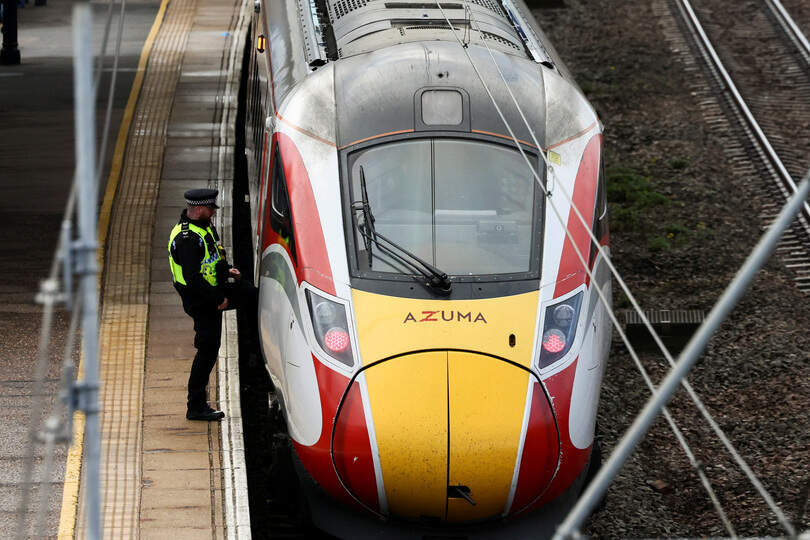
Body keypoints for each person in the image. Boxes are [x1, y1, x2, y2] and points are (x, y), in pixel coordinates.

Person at [168, 188, 258, 421]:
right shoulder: (186, 238)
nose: (214, 213)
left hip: (212, 290)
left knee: (251, 293)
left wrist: (226, 271)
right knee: (207, 351)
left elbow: (210, 260)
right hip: (202, 300)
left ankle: (255, 348)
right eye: (211, 209)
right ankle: (195, 406)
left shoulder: (203, 226)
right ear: (198, 209)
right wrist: (219, 299)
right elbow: (192, 278)